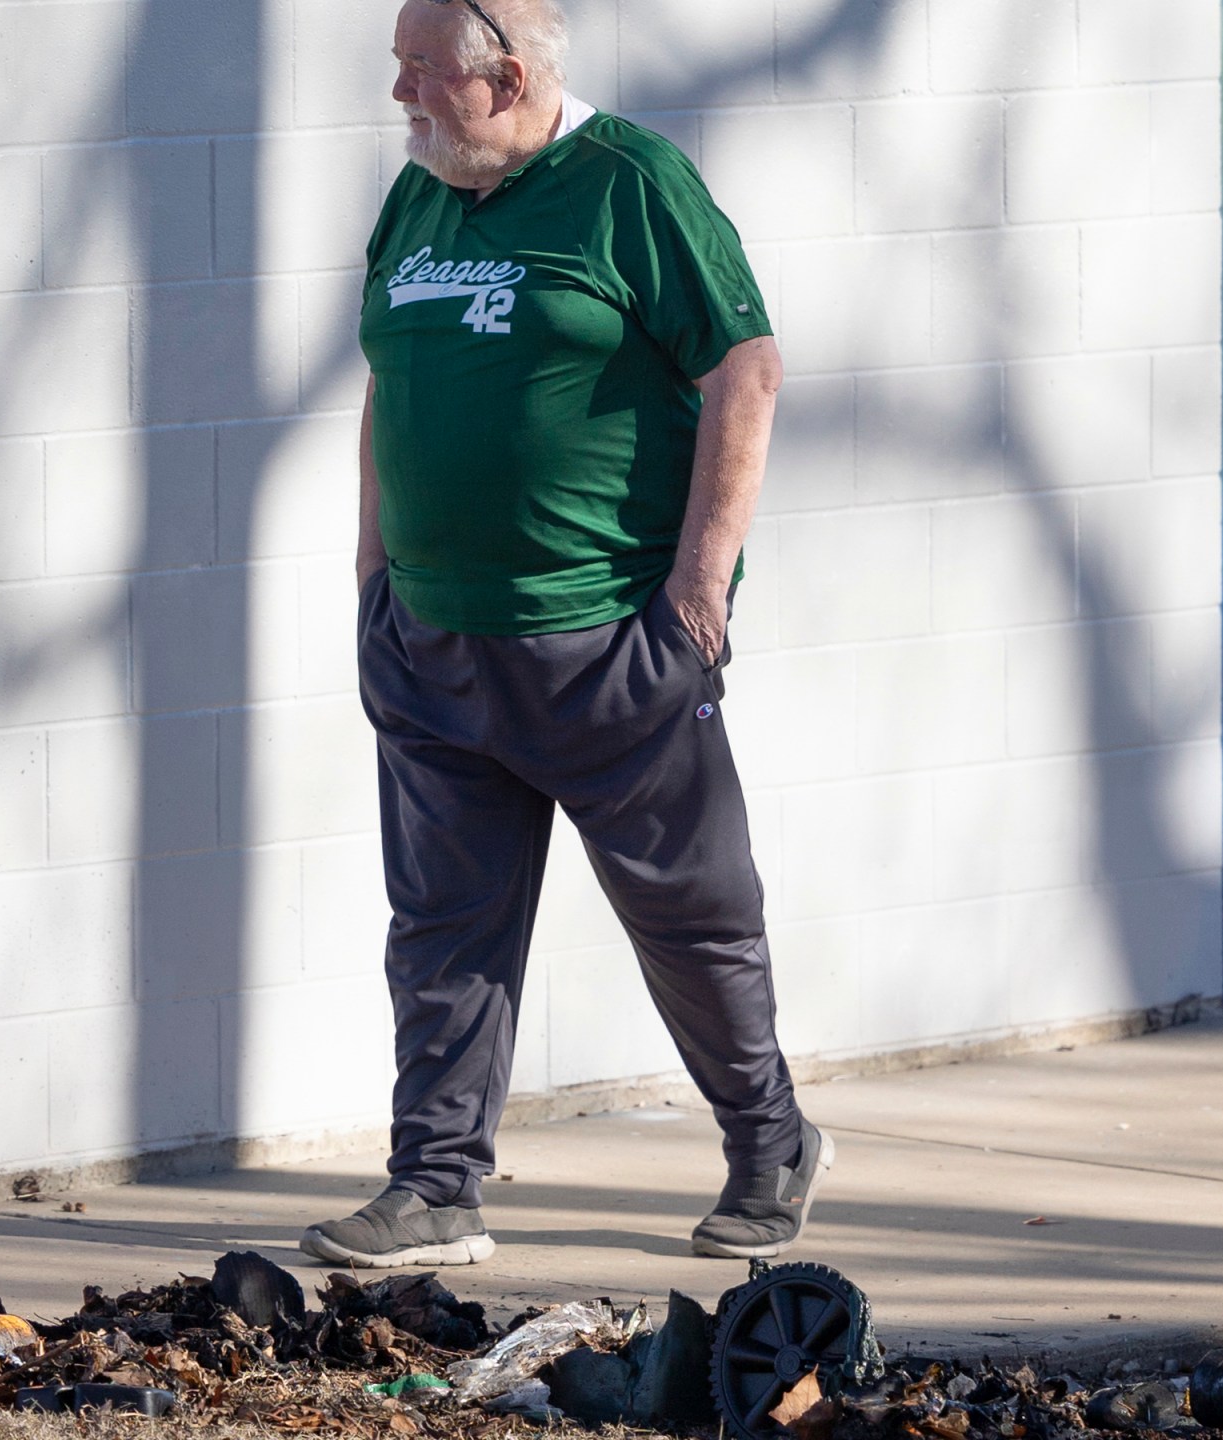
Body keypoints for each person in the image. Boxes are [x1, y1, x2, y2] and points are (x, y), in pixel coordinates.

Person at [301, 0, 826, 1268]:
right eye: (398, 71)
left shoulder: (629, 185)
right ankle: (432, 1189)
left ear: (512, 76)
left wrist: (699, 595)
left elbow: (741, 369)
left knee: (691, 917)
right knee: (440, 931)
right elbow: (390, 378)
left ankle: (767, 1144)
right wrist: (375, 570)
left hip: (603, 641)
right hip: (433, 642)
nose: (401, 100)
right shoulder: (419, 200)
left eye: (423, 76)